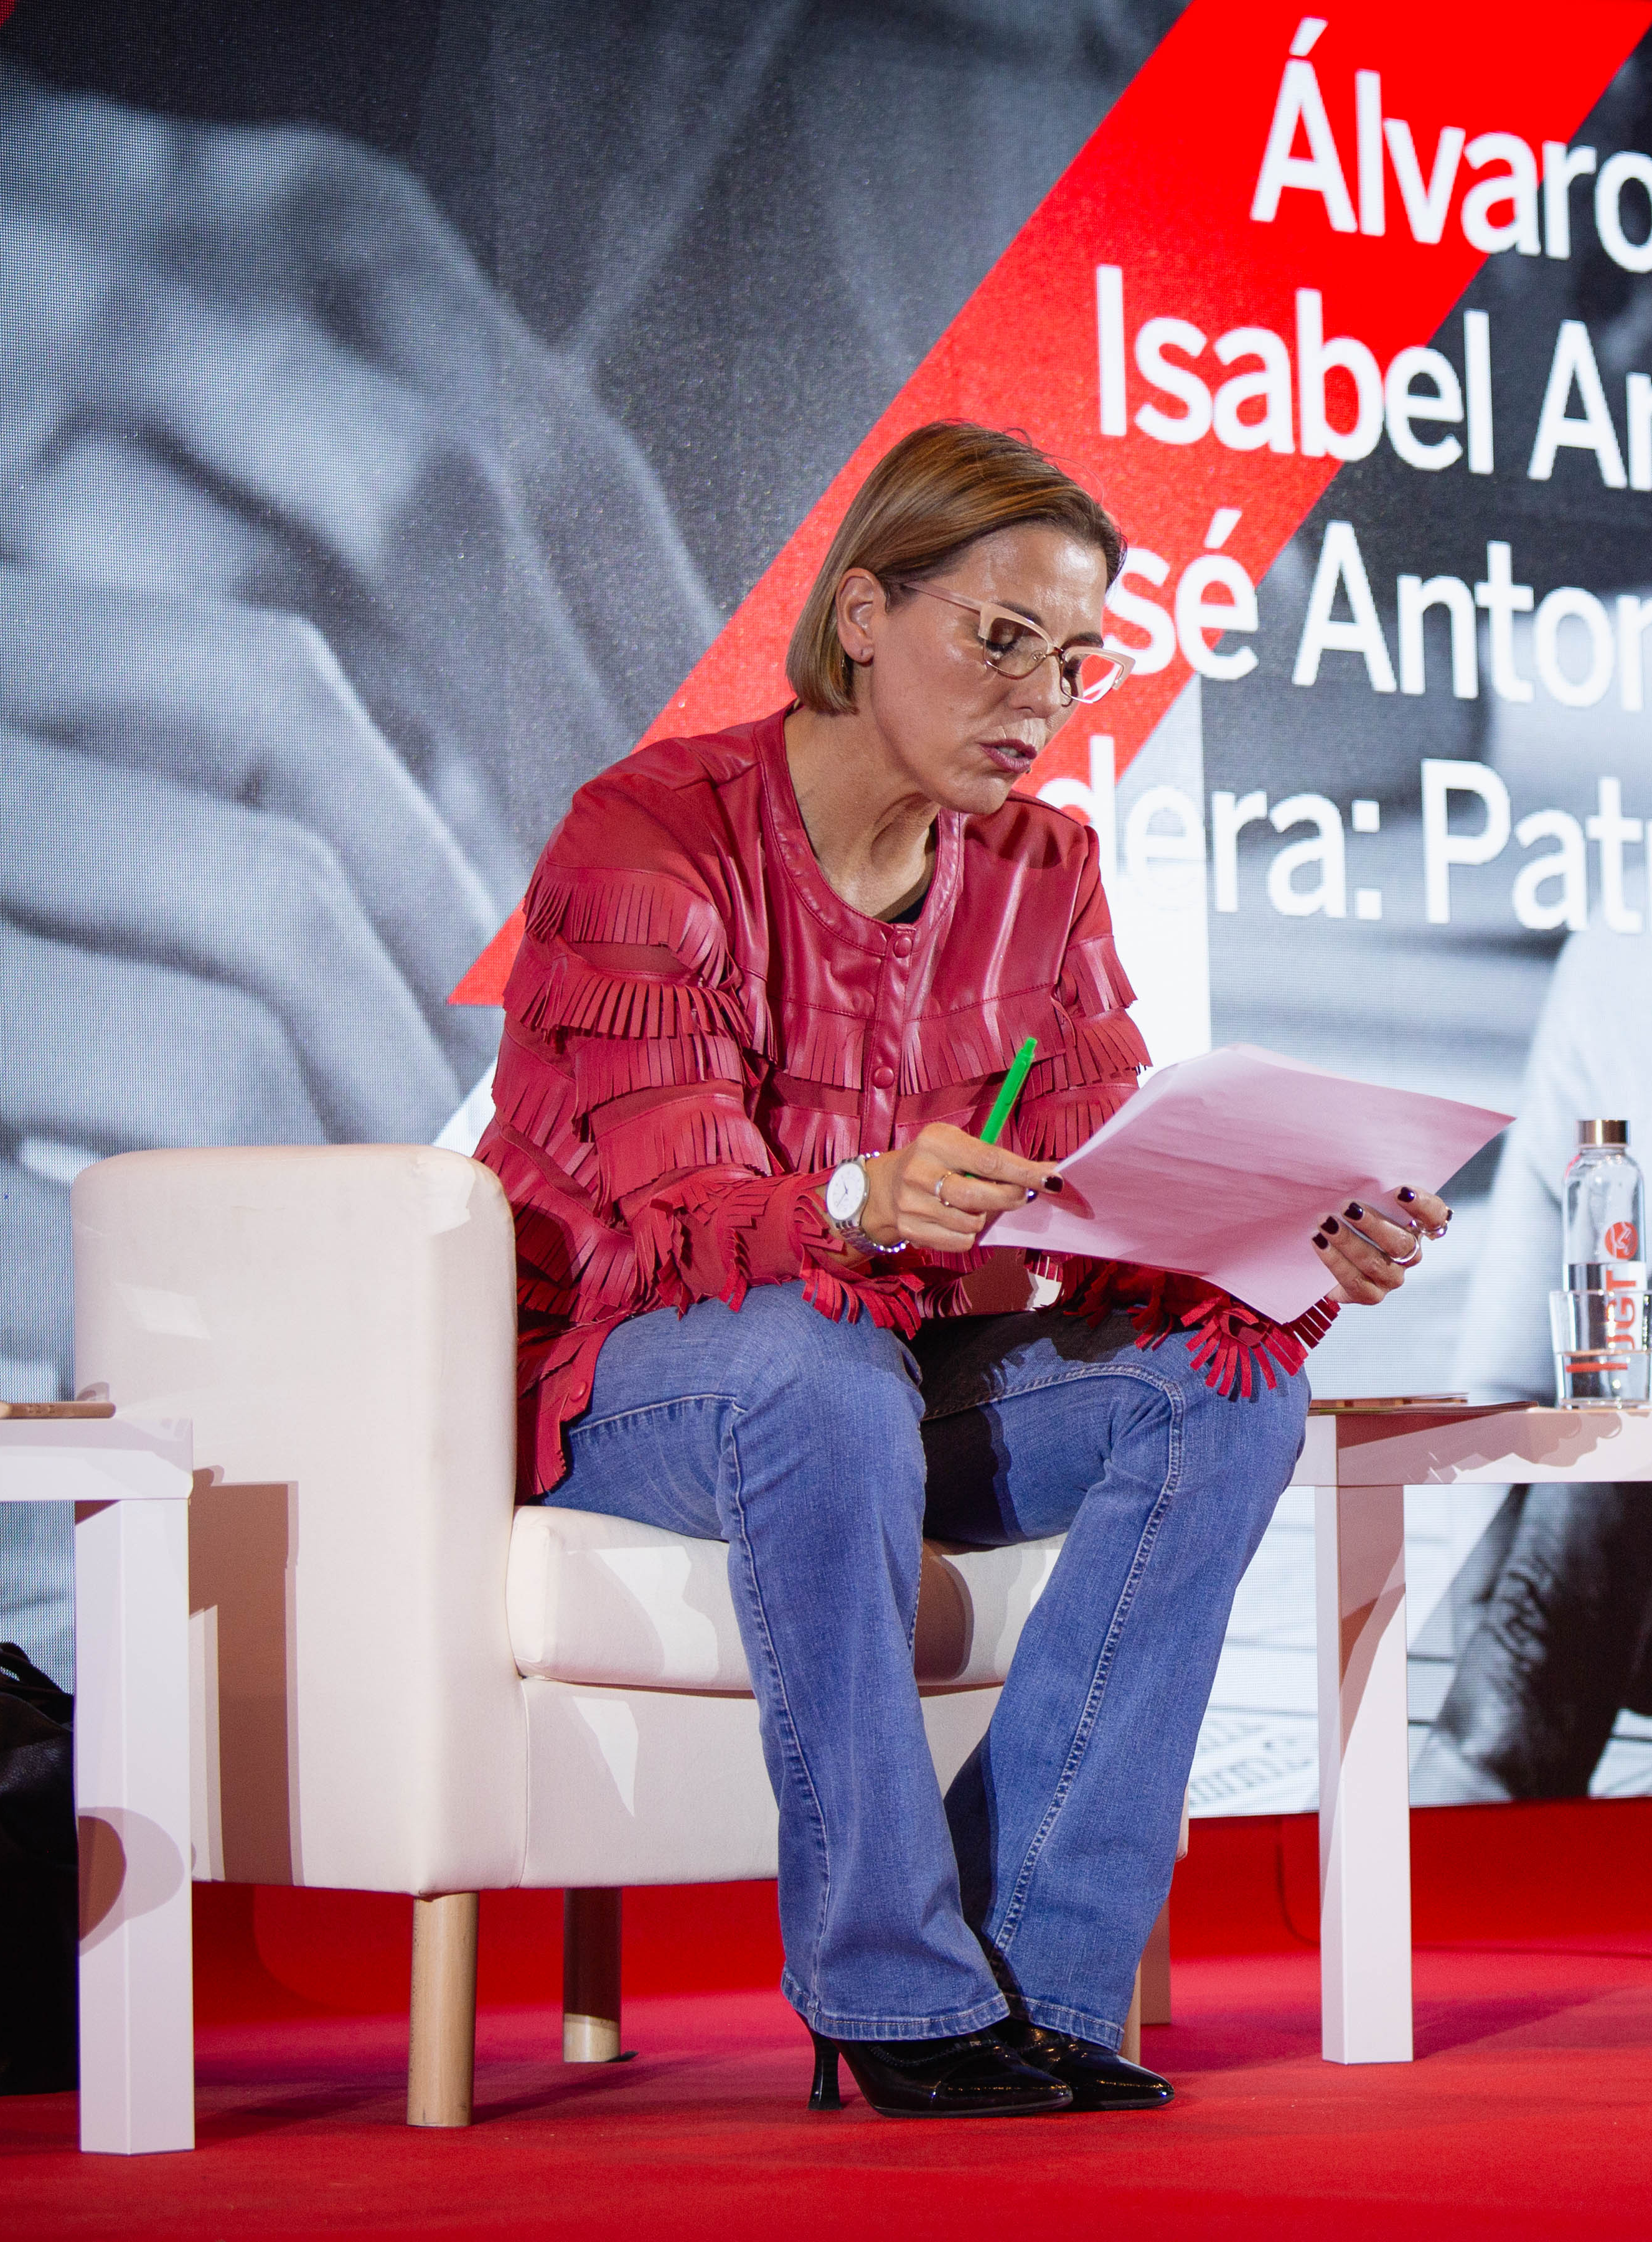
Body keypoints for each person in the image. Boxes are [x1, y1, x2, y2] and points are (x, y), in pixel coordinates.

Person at [481, 422, 1448, 2116]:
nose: (1042, 695)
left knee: (1225, 1384)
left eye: (1073, 661)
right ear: (861, 612)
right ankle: (888, 1986)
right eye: (1002, 638)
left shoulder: (1042, 871)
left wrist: (1293, 1236)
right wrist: (862, 1197)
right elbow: (676, 1211)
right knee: (806, 1355)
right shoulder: (649, 834)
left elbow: (1105, 1197)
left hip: (878, 1373)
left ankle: (1039, 1970)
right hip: (638, 1375)